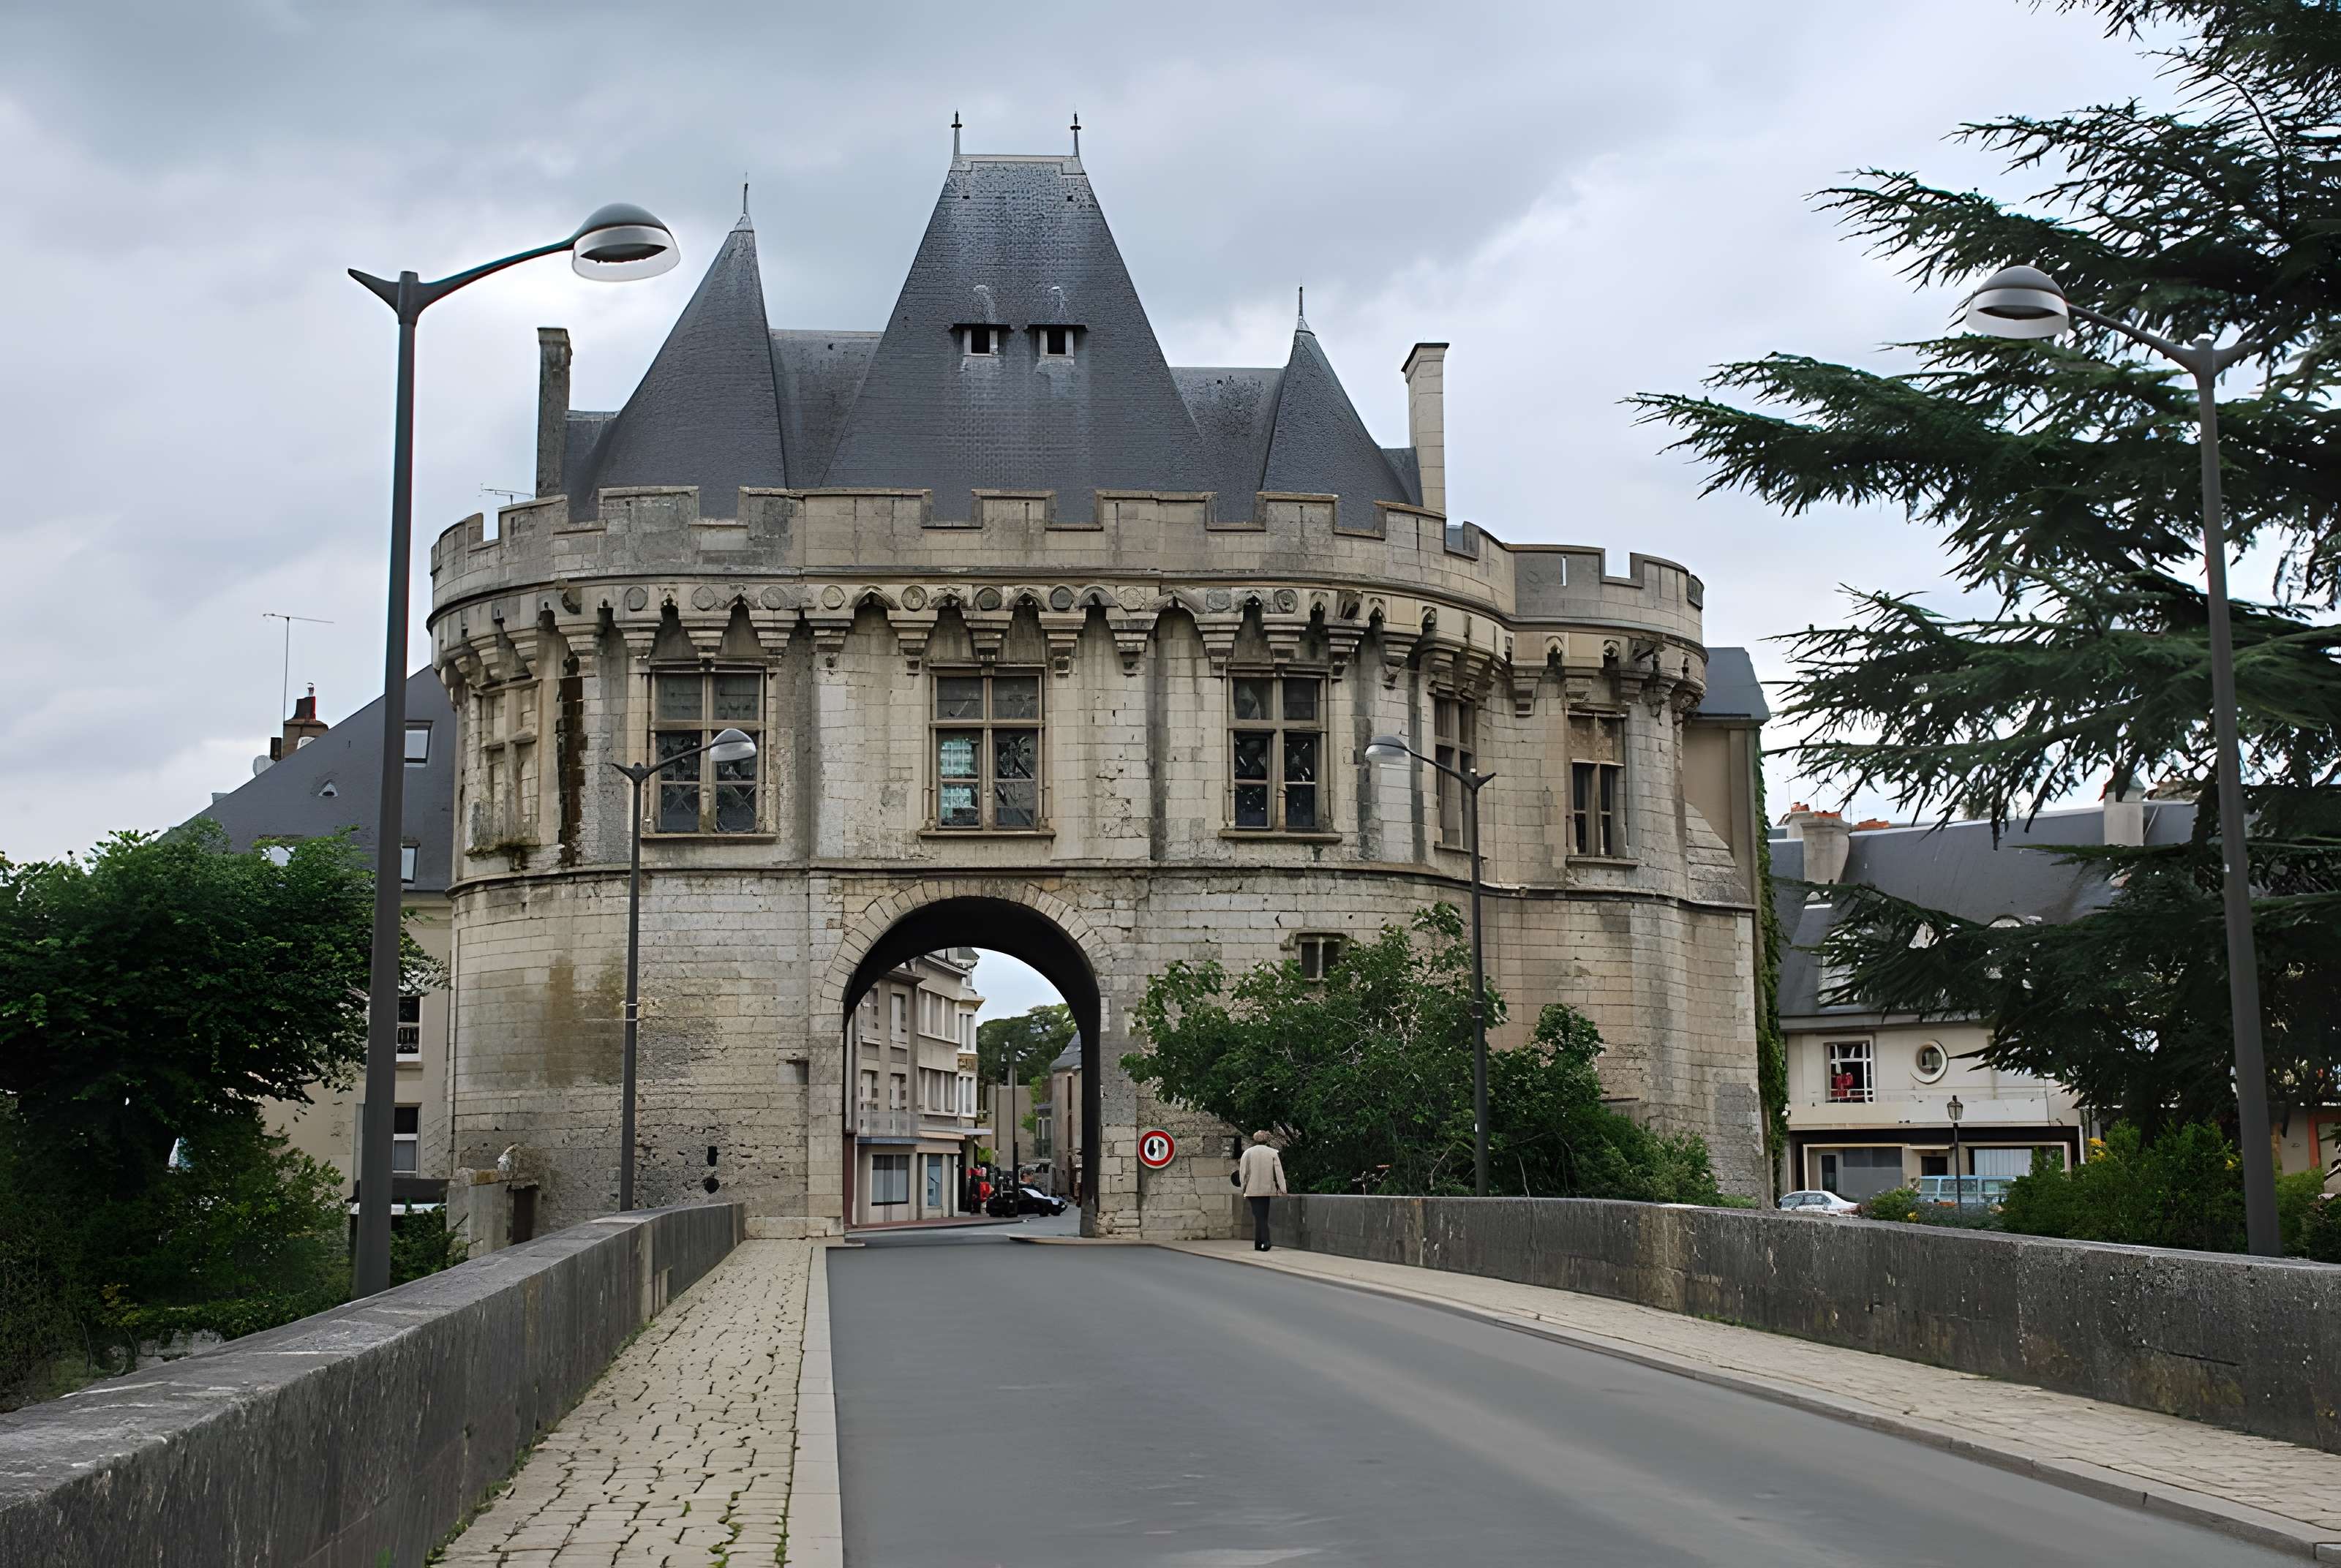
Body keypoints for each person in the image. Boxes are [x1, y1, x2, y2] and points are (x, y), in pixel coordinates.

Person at [1236, 1131, 1288, 1251]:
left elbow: (1243, 1173)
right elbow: (1279, 1173)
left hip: (1252, 1189)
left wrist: (1243, 1188)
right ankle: (1261, 1242)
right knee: (1262, 1215)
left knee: (1259, 1216)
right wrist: (1282, 1188)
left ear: (1255, 1139)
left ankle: (1263, 1241)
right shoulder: (1272, 1152)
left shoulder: (1247, 1153)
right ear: (1267, 1140)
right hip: (1267, 1189)